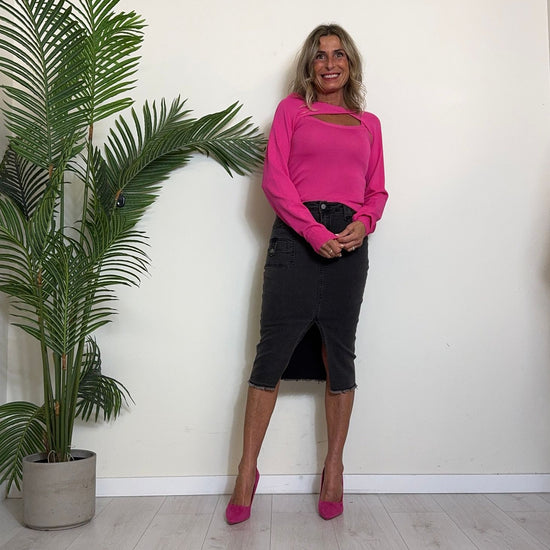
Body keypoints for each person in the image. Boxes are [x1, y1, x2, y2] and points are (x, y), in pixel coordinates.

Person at [226, 23, 388, 524]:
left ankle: (333, 467)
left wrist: (363, 222)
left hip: (349, 246)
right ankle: (247, 471)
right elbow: (275, 181)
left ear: (350, 64)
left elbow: (377, 190)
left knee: (340, 355)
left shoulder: (369, 124)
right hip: (296, 239)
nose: (329, 63)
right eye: (320, 56)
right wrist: (313, 230)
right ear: (309, 66)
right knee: (271, 354)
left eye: (338, 54)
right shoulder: (292, 111)